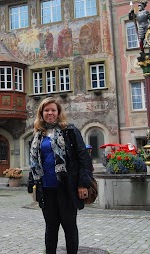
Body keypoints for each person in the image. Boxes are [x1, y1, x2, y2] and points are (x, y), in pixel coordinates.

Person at [30, 97, 93, 254]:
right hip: (46, 187)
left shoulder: (70, 131)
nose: (50, 113)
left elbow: (83, 158)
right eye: (46, 110)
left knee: (69, 226)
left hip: (66, 187)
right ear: (41, 113)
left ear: (58, 113)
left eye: (53, 110)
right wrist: (32, 185)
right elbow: (35, 162)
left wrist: (83, 184)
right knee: (50, 227)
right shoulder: (37, 135)